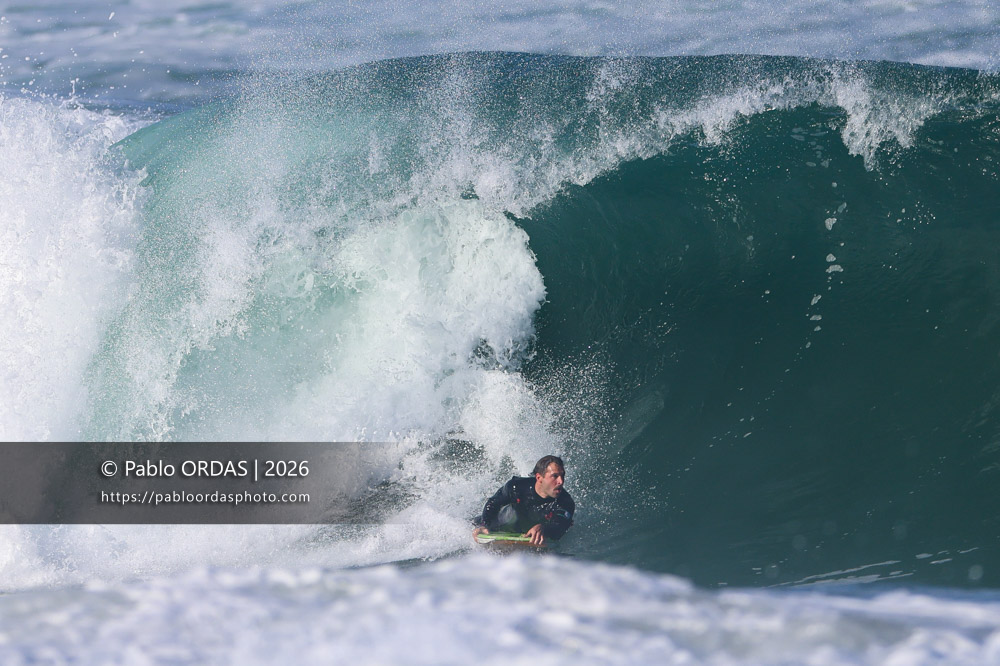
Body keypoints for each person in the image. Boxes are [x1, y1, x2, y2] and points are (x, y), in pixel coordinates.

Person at [472, 455, 575, 546]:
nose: (561, 481)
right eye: (555, 476)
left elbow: (560, 526)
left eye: (562, 475)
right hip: (503, 523)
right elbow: (493, 503)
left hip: (526, 529)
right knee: (507, 515)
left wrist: (544, 528)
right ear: (539, 477)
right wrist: (483, 524)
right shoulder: (516, 487)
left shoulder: (565, 502)